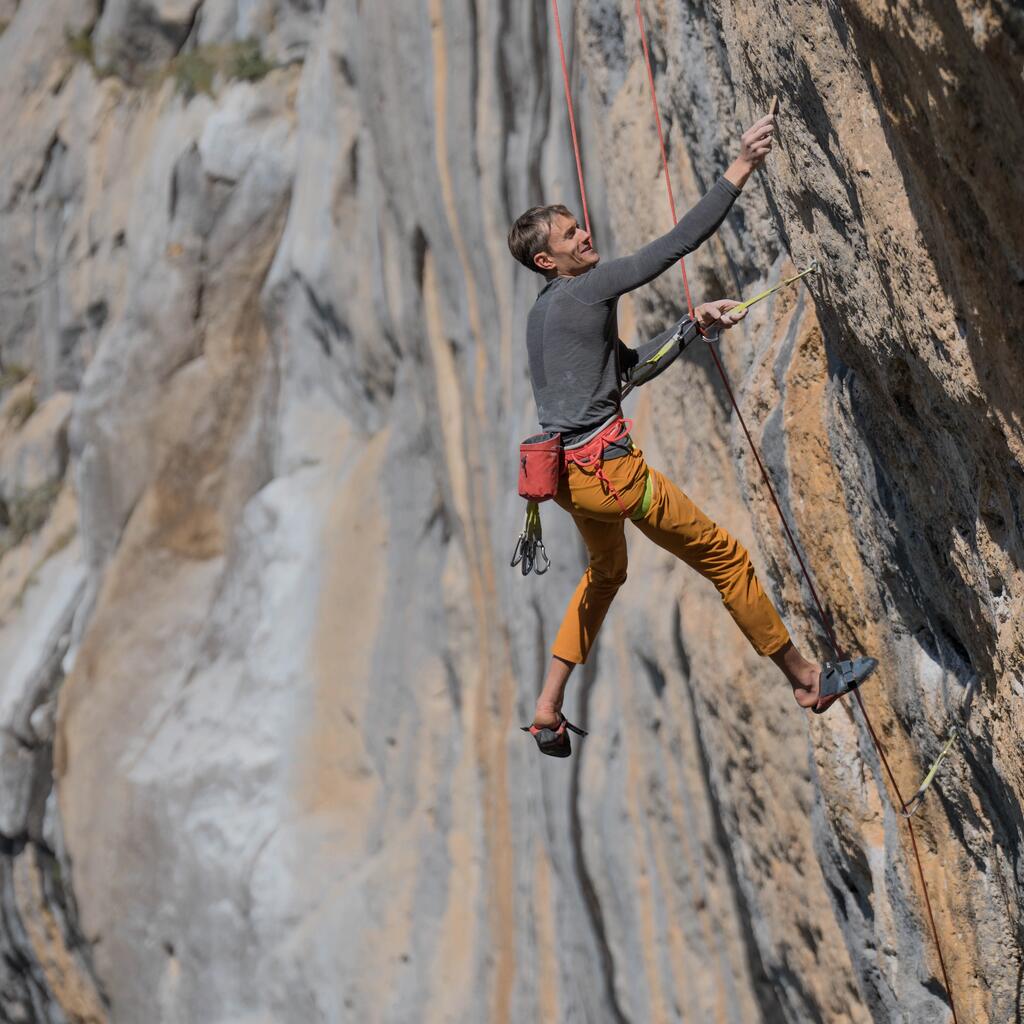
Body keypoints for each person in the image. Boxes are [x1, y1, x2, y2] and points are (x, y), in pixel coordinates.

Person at [508, 111, 876, 757]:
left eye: (578, 225)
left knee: (605, 574)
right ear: (548, 259)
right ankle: (808, 680)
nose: (584, 233)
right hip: (613, 475)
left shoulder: (544, 317)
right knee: (724, 557)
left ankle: (547, 703)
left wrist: (687, 327)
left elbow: (621, 371)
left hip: (569, 481)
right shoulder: (587, 288)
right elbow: (673, 245)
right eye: (571, 234)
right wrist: (742, 166)